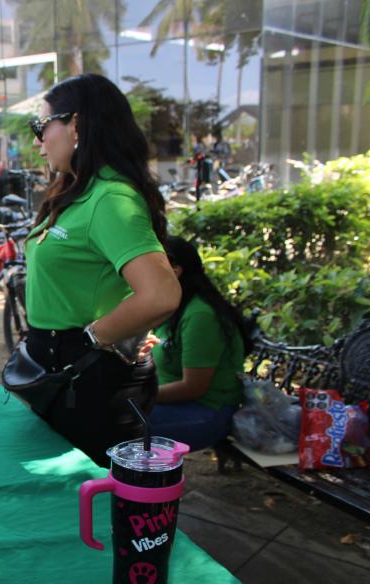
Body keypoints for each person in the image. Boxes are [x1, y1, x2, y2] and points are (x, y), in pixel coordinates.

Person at [20, 73, 181, 467]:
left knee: (88, 505)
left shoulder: (110, 197)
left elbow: (160, 293)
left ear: (76, 123)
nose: (37, 141)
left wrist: (96, 336)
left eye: (42, 126)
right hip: (64, 370)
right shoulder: (80, 190)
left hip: (90, 380)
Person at [146, 236, 251, 450]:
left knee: (120, 422)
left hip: (207, 412)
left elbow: (193, 388)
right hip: (174, 405)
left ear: (174, 270)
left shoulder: (200, 315)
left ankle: (136, 482)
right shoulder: (174, 306)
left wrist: (140, 397)